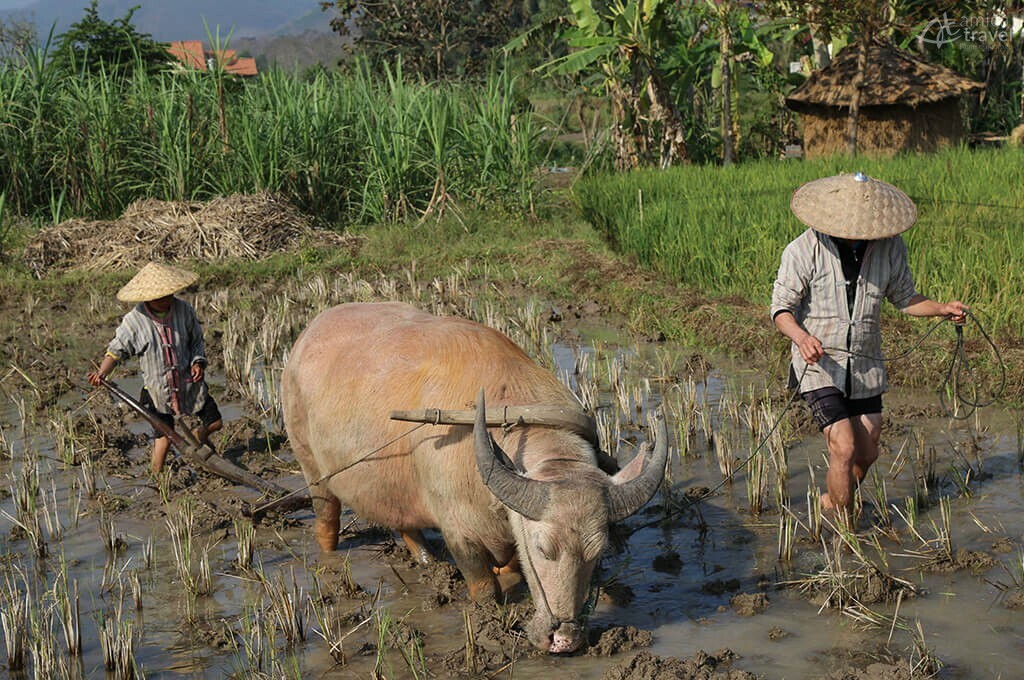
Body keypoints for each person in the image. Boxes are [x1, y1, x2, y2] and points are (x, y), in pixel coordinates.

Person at [770, 172, 967, 526]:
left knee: (868, 450)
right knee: (843, 447)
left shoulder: (890, 247)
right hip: (820, 364)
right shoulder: (804, 249)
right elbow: (781, 309)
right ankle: (845, 535)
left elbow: (905, 298)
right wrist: (801, 338)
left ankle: (831, 502)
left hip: (865, 365)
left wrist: (942, 308)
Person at [87, 262, 222, 475]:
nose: (166, 300)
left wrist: (197, 362)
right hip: (158, 391)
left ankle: (197, 438)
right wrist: (102, 373)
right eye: (160, 297)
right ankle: (157, 478)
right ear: (147, 297)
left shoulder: (184, 310)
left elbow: (197, 341)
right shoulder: (134, 321)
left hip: (189, 384)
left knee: (215, 422)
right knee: (164, 438)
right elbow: (116, 350)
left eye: (169, 294)